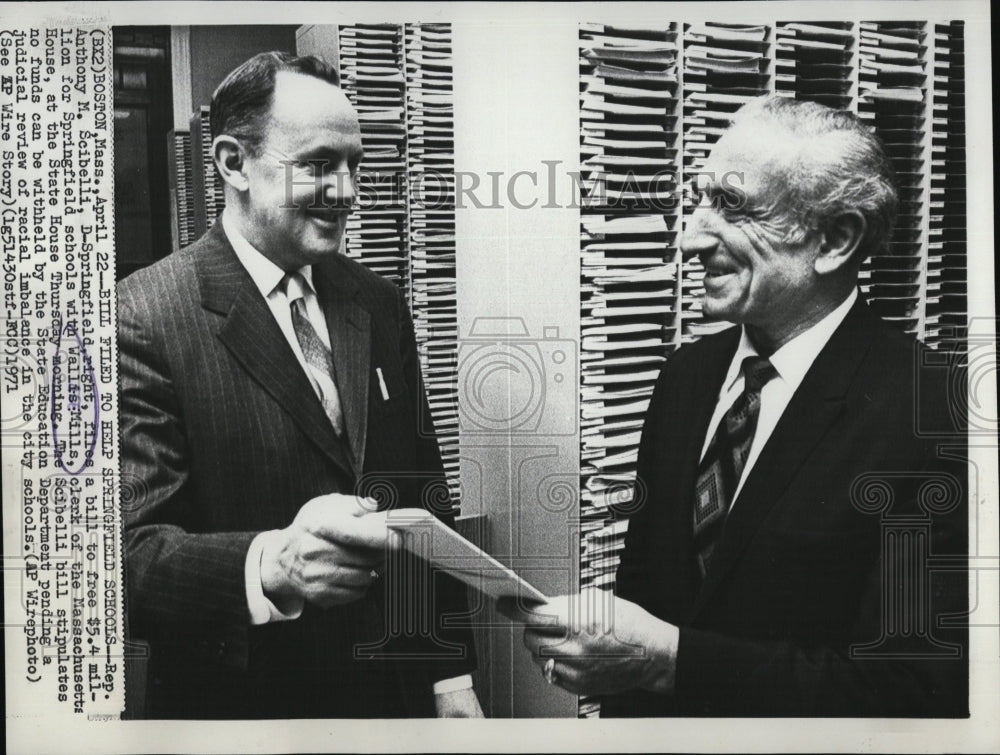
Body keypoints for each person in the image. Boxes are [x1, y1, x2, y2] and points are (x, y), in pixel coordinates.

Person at [516, 96, 968, 716]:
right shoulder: (686, 377)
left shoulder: (935, 413)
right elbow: (645, 595)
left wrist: (668, 662)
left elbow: (914, 692)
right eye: (701, 199)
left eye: (732, 205)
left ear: (834, 239)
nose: (689, 237)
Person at [119, 51, 482, 718]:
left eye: (355, 167)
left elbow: (420, 499)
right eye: (319, 164)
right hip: (246, 711)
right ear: (233, 163)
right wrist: (273, 564)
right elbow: (127, 556)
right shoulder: (141, 316)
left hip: (390, 703)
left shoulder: (376, 303)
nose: (346, 191)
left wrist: (449, 679)